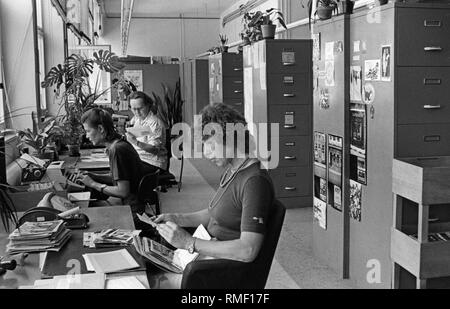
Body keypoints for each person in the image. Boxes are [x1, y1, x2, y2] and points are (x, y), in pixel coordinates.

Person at [152, 103, 275, 263]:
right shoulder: (233, 169)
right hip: (208, 251)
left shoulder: (254, 182)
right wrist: (176, 218)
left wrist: (190, 243)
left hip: (222, 267)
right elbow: (215, 213)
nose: (206, 153)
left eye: (211, 145)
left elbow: (247, 250)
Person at [79, 108, 151, 214]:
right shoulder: (119, 143)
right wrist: (93, 175)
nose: (87, 136)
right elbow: (120, 178)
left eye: (88, 131)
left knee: (85, 210)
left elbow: (123, 191)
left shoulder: (117, 150)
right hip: (132, 203)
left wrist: (93, 184)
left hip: (131, 210)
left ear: (100, 129)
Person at [126, 91, 168, 172]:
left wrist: (135, 142)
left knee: (123, 168)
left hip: (153, 163)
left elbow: (155, 150)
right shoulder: (136, 119)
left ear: (148, 105)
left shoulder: (155, 123)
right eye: (134, 109)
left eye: (140, 108)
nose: (137, 112)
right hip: (139, 158)